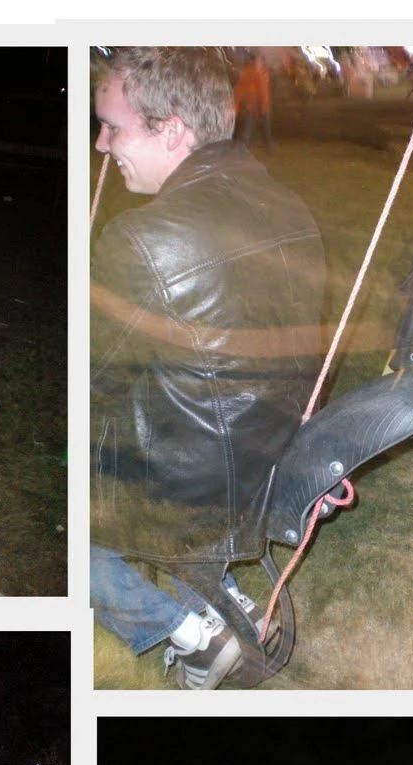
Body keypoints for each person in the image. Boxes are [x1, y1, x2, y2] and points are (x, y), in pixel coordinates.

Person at [89, 47, 325, 688]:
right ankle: (218, 595)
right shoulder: (290, 206)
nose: (103, 144)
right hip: (273, 453)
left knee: (63, 523)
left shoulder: (143, 236)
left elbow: (95, 380)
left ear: (172, 129)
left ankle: (189, 632)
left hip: (193, 481)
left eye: (112, 126)